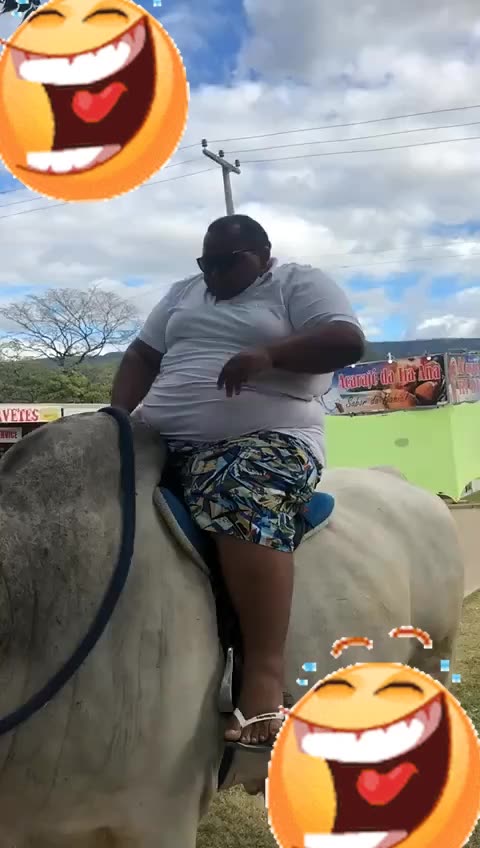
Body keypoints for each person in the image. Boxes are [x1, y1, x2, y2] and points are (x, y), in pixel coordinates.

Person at [111, 214, 365, 749]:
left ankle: (265, 679)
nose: (214, 274)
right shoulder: (183, 293)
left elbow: (346, 341)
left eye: (228, 263)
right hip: (160, 435)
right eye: (206, 263)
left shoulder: (298, 283)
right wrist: (115, 418)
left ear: (262, 254)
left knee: (238, 491)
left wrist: (270, 355)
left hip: (267, 440)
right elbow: (141, 355)